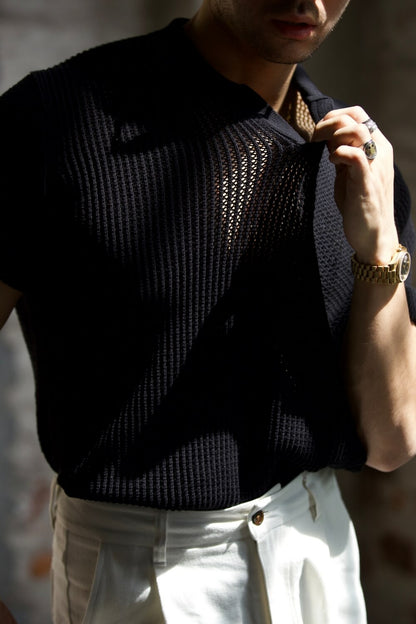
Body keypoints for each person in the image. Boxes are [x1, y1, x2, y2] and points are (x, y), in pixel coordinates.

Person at [1, 0, 416, 622]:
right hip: (145, 571)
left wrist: (378, 247)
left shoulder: (357, 157)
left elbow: (392, 441)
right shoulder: (54, 120)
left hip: (318, 552)